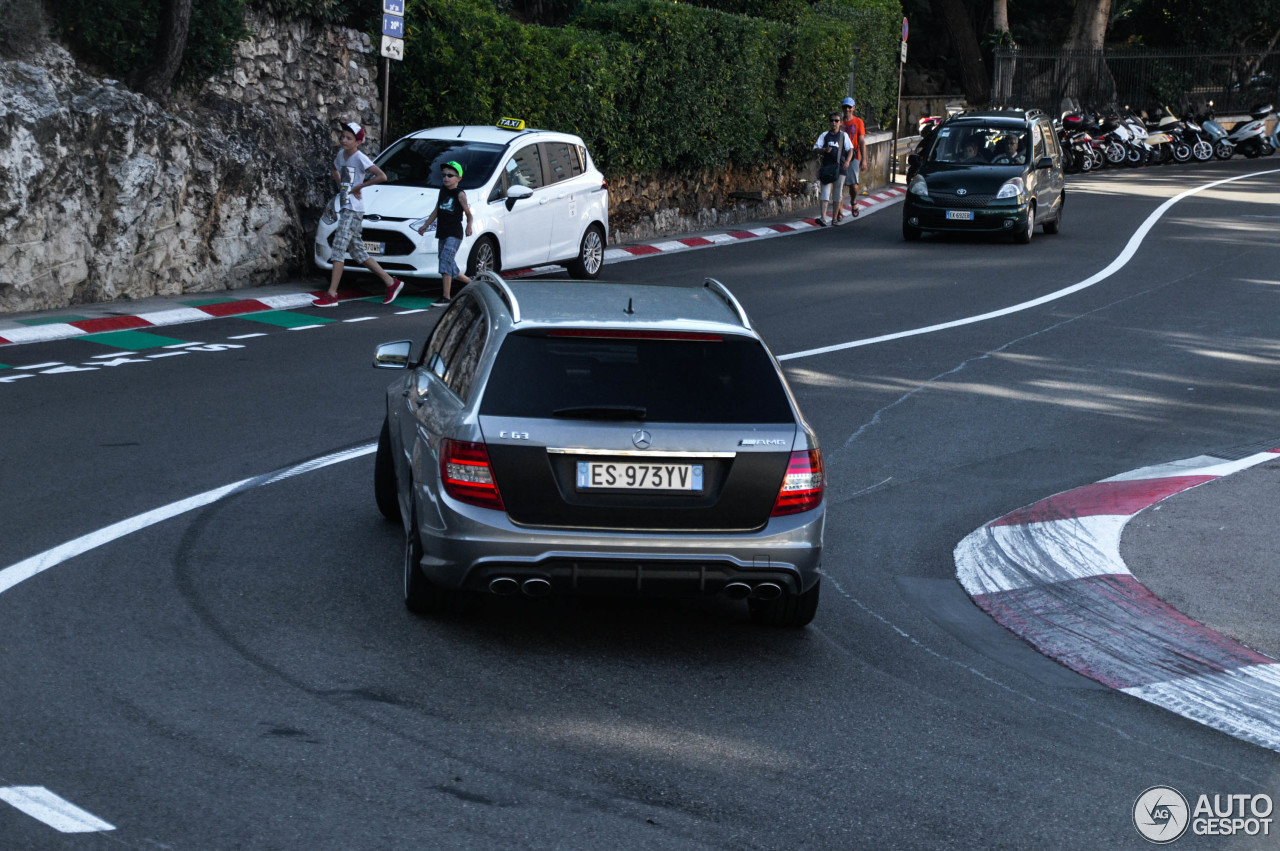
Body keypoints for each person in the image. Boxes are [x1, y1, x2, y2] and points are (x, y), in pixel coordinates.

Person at [313, 122, 404, 308]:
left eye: (349, 138)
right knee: (358, 252)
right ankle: (391, 282)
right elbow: (334, 169)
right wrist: (342, 187)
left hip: (354, 209)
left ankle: (331, 294)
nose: (344, 140)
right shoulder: (341, 155)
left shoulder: (360, 158)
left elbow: (382, 176)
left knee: (338, 247)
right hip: (346, 206)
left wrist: (359, 187)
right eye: (343, 136)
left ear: (358, 141)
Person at [416, 160, 474, 304]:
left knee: (445, 261)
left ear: (458, 178)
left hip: (454, 233)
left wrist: (469, 226)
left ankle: (446, 297)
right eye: (444, 175)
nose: (446, 178)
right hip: (442, 231)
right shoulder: (443, 190)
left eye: (450, 175)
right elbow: (436, 210)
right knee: (447, 262)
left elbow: (468, 213)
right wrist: (425, 225)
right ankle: (471, 283)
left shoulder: (460, 194)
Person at [812, 114, 852, 226]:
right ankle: (823, 217)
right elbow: (815, 149)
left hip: (840, 168)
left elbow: (850, 149)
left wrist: (848, 161)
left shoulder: (844, 136)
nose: (834, 123)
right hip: (827, 167)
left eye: (836, 120)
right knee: (825, 192)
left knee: (837, 193)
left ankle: (834, 218)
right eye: (832, 120)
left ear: (840, 122)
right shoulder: (824, 135)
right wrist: (824, 150)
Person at [839, 97, 866, 220]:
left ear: (853, 108)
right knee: (839, 184)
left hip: (854, 155)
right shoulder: (839, 122)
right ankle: (839, 210)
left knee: (853, 184)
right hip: (841, 155)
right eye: (845, 107)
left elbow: (861, 140)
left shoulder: (858, 122)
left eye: (849, 107)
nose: (847, 109)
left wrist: (864, 159)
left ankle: (853, 201)